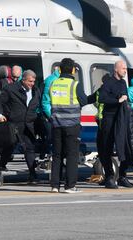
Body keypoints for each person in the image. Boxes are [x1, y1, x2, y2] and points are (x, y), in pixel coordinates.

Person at [0, 70, 41, 184]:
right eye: (30, 81)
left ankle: (32, 174)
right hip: (14, 123)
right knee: (10, 144)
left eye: (34, 81)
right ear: (23, 80)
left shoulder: (36, 91)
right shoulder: (11, 89)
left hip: (29, 124)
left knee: (29, 148)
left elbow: (37, 105)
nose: (32, 84)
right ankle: (1, 165)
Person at [49, 58, 87, 193]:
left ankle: (55, 185)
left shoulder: (53, 84)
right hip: (71, 124)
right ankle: (70, 186)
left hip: (56, 124)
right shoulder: (74, 84)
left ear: (59, 69)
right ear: (72, 70)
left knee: (57, 155)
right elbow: (83, 100)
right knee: (71, 155)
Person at [98, 60, 133, 189]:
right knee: (106, 148)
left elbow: (125, 98)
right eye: (123, 68)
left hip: (122, 119)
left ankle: (123, 176)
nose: (125, 70)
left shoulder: (123, 82)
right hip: (109, 119)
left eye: (125, 68)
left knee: (125, 147)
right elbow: (101, 98)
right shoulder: (108, 83)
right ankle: (109, 176)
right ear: (116, 69)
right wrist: (117, 100)